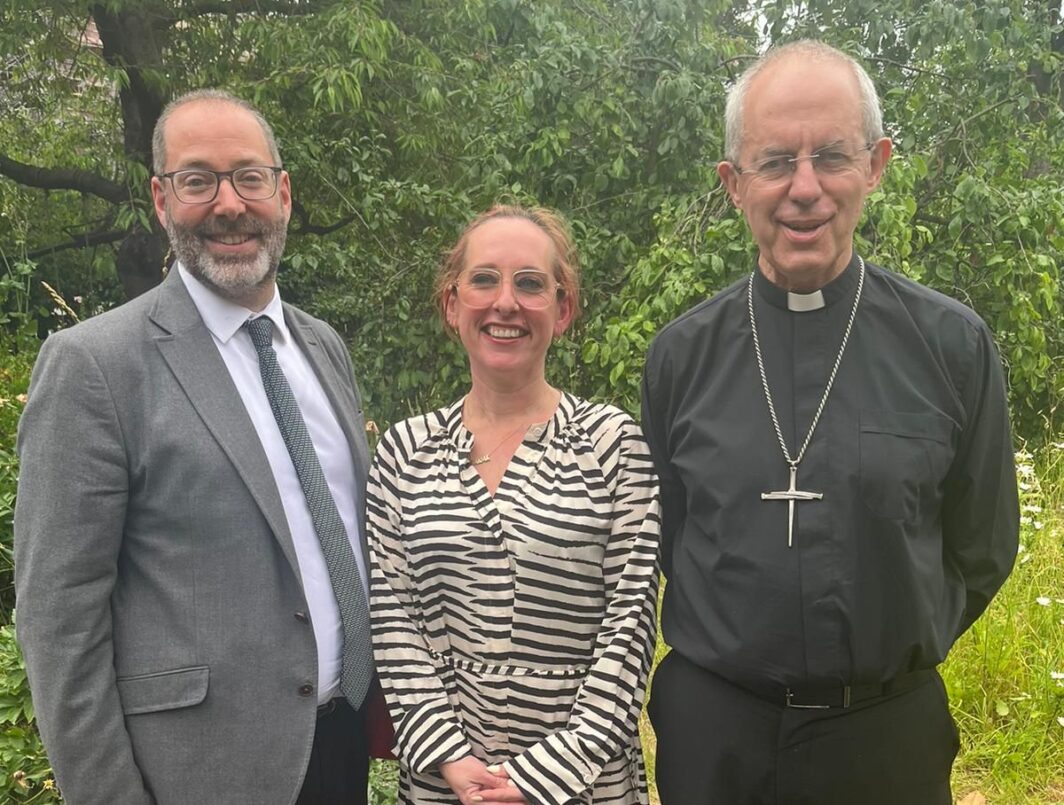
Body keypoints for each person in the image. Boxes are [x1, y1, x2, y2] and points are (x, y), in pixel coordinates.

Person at [641, 40, 1019, 804]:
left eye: (833, 157)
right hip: (716, 739)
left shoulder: (952, 346)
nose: (804, 188)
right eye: (775, 161)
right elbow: (668, 536)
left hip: (886, 738)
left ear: (876, 164)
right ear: (732, 183)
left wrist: (894, 639)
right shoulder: (680, 357)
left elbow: (982, 548)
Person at [15, 89, 380, 804]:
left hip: (340, 750)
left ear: (282, 192)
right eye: (197, 180)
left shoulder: (321, 346)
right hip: (195, 774)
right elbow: (58, 617)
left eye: (248, 177)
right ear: (160, 199)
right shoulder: (95, 365)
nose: (228, 204)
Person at [367, 205, 660, 805]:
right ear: (452, 305)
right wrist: (448, 755)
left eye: (530, 283)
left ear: (563, 308)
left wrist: (542, 776)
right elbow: (393, 620)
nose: (506, 302)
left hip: (584, 783)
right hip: (446, 785)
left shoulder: (611, 444)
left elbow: (630, 625)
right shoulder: (405, 450)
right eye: (484, 279)